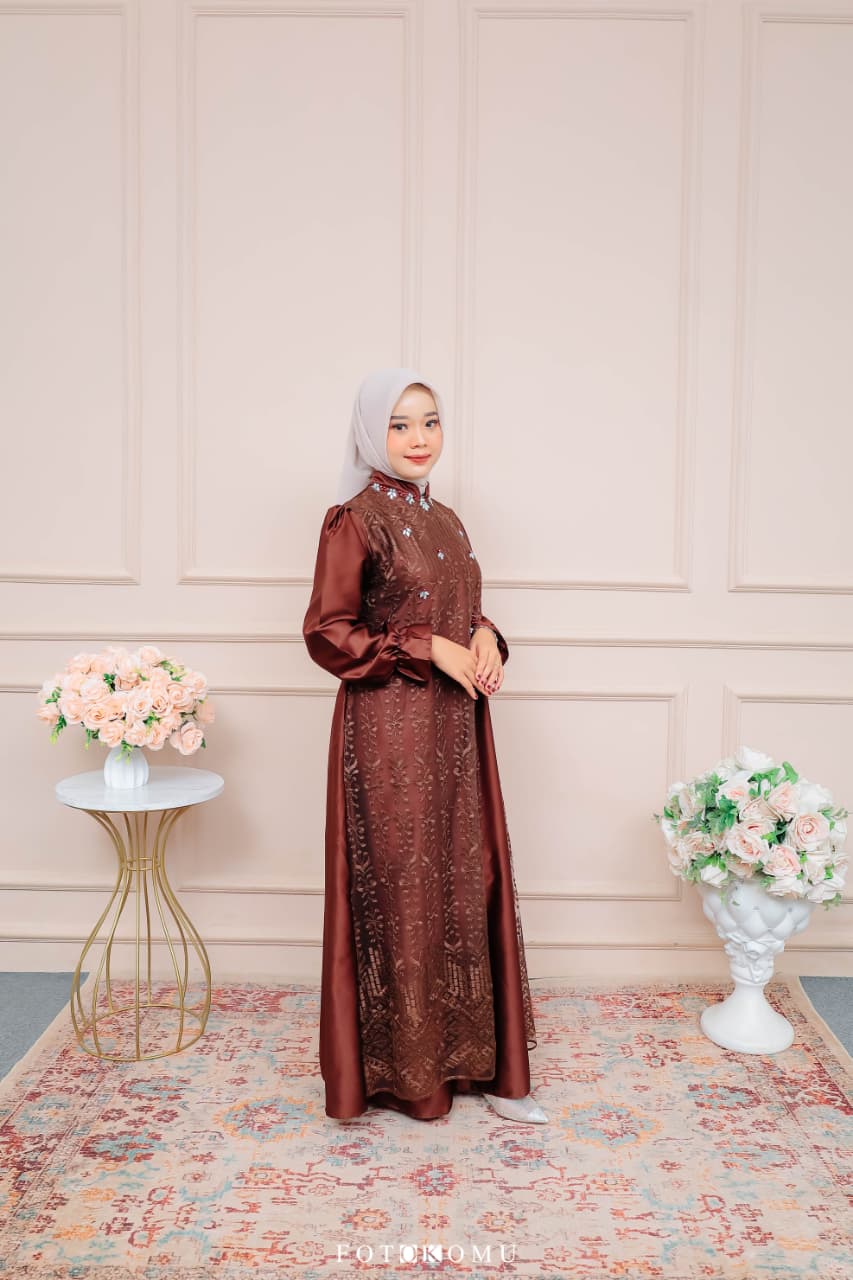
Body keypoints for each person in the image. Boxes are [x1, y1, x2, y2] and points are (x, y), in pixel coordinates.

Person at [303, 366, 547, 1124]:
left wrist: (484, 635)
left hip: (455, 728)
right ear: (370, 432)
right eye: (400, 424)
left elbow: (459, 608)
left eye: (430, 422)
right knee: (403, 887)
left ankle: (480, 1068)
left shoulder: (447, 520)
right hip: (389, 733)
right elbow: (328, 633)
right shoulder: (354, 519)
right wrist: (426, 646)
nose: (418, 438)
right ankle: (407, 1078)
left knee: (463, 880)